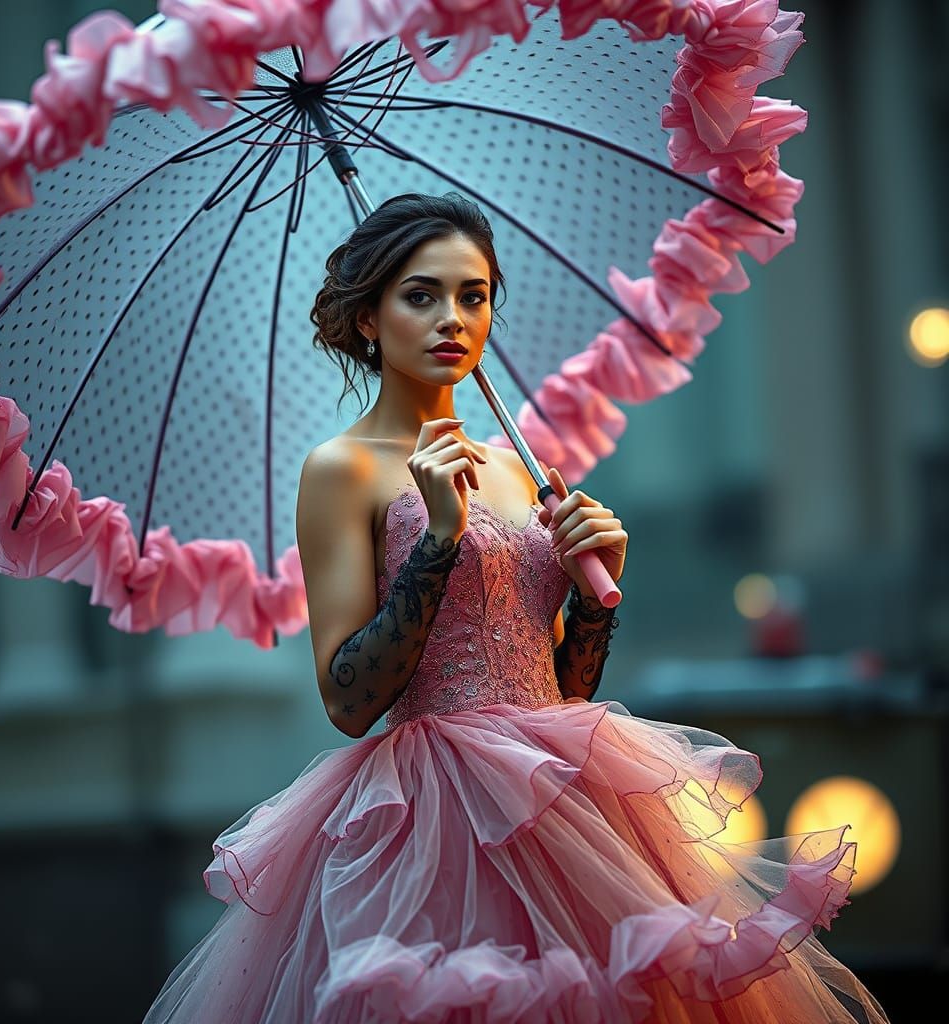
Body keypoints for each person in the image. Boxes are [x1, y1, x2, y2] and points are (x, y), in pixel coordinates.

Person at [143, 193, 889, 1023]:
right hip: (434, 822)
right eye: (420, 295)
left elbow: (563, 691)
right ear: (368, 320)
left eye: (473, 295)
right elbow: (348, 701)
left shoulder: (518, 466)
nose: (452, 318)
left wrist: (594, 592)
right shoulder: (341, 469)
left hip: (570, 805)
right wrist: (437, 540)